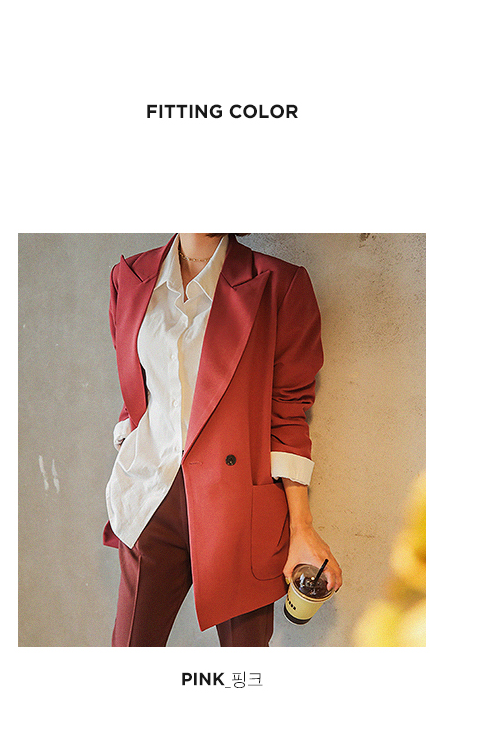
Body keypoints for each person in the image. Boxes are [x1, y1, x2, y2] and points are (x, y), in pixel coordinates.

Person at [104, 233, 341, 646]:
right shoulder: (129, 277)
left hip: (237, 510)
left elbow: (287, 410)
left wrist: (301, 526)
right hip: (149, 497)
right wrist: (129, 444)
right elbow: (139, 387)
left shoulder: (279, 284)